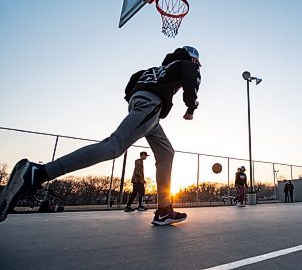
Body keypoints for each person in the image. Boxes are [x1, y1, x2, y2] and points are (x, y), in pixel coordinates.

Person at [0, 46, 202, 226]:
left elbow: (130, 86)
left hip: (143, 105)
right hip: (151, 105)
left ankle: (164, 211)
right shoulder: (186, 64)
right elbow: (191, 76)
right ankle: (40, 172)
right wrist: (191, 106)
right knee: (113, 146)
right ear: (193, 59)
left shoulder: (152, 70)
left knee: (166, 153)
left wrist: (137, 100)